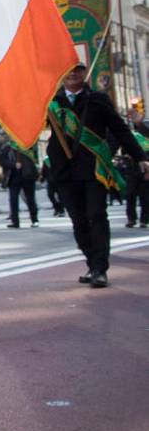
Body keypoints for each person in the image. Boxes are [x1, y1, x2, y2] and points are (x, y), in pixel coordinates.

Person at [47, 62, 149, 288]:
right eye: (68, 70)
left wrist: (141, 157)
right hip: (64, 171)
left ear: (84, 73)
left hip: (93, 169)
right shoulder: (50, 103)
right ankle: (93, 263)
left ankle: (100, 269)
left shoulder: (98, 100)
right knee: (79, 220)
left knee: (97, 215)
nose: (73, 74)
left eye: (78, 69)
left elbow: (119, 129)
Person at [0, 141, 40, 228]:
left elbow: (34, 158)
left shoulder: (27, 145)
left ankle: (35, 220)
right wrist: (14, 165)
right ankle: (15, 222)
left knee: (31, 199)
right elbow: (2, 160)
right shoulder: (7, 147)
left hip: (28, 176)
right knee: (13, 200)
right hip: (13, 178)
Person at [123, 109, 149, 228]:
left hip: (145, 167)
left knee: (145, 196)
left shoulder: (145, 132)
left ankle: (144, 220)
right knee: (130, 194)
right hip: (131, 167)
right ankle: (131, 219)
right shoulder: (127, 132)